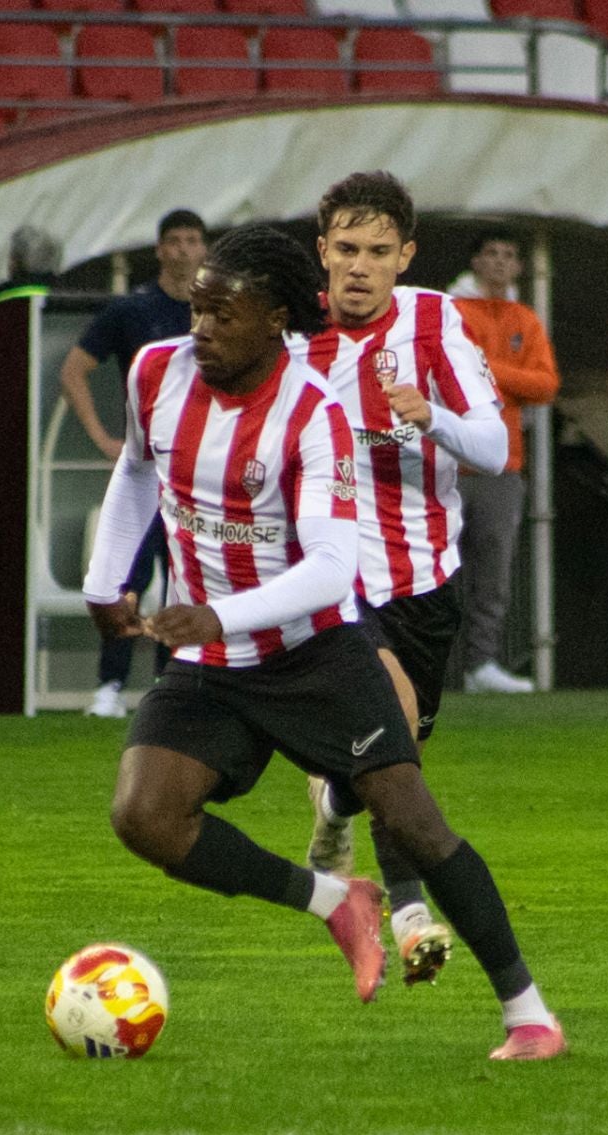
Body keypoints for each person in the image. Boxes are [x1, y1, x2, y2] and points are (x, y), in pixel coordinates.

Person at [84, 224, 563, 1060]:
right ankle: (336, 902)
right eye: (196, 309)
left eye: (222, 315)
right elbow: (133, 470)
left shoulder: (313, 413)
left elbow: (335, 567)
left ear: (275, 320)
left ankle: (528, 1013)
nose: (200, 329)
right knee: (143, 816)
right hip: (213, 664)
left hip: (313, 654)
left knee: (413, 822)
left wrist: (220, 614)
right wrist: (103, 580)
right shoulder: (155, 371)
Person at [287, 171, 509, 986]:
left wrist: (433, 417)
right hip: (329, 579)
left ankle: (334, 809)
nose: (359, 267)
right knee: (392, 731)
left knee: (391, 751)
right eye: (345, 249)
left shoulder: (434, 320)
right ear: (322, 252)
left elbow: (495, 449)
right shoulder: (288, 334)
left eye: (378, 252)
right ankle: (412, 913)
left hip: (424, 580)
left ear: (405, 256)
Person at [59, 209, 208, 717]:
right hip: (147, 468)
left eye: (193, 240)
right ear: (161, 249)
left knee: (186, 581)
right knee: (127, 577)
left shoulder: (216, 311)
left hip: (197, 472)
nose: (185, 250)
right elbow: (74, 370)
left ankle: (174, 685)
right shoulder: (133, 310)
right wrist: (104, 437)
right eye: (176, 241)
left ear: (204, 249)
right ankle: (110, 686)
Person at [449, 230, 560, 694]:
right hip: (447, 464)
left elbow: (546, 385)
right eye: (491, 253)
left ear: (518, 267)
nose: (499, 262)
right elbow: (447, 376)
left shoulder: (525, 319)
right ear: (475, 261)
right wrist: (504, 379)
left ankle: (479, 666)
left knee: (492, 576)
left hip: (502, 466)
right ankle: (429, 666)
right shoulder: (449, 312)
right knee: (433, 573)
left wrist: (490, 371)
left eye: (509, 255)